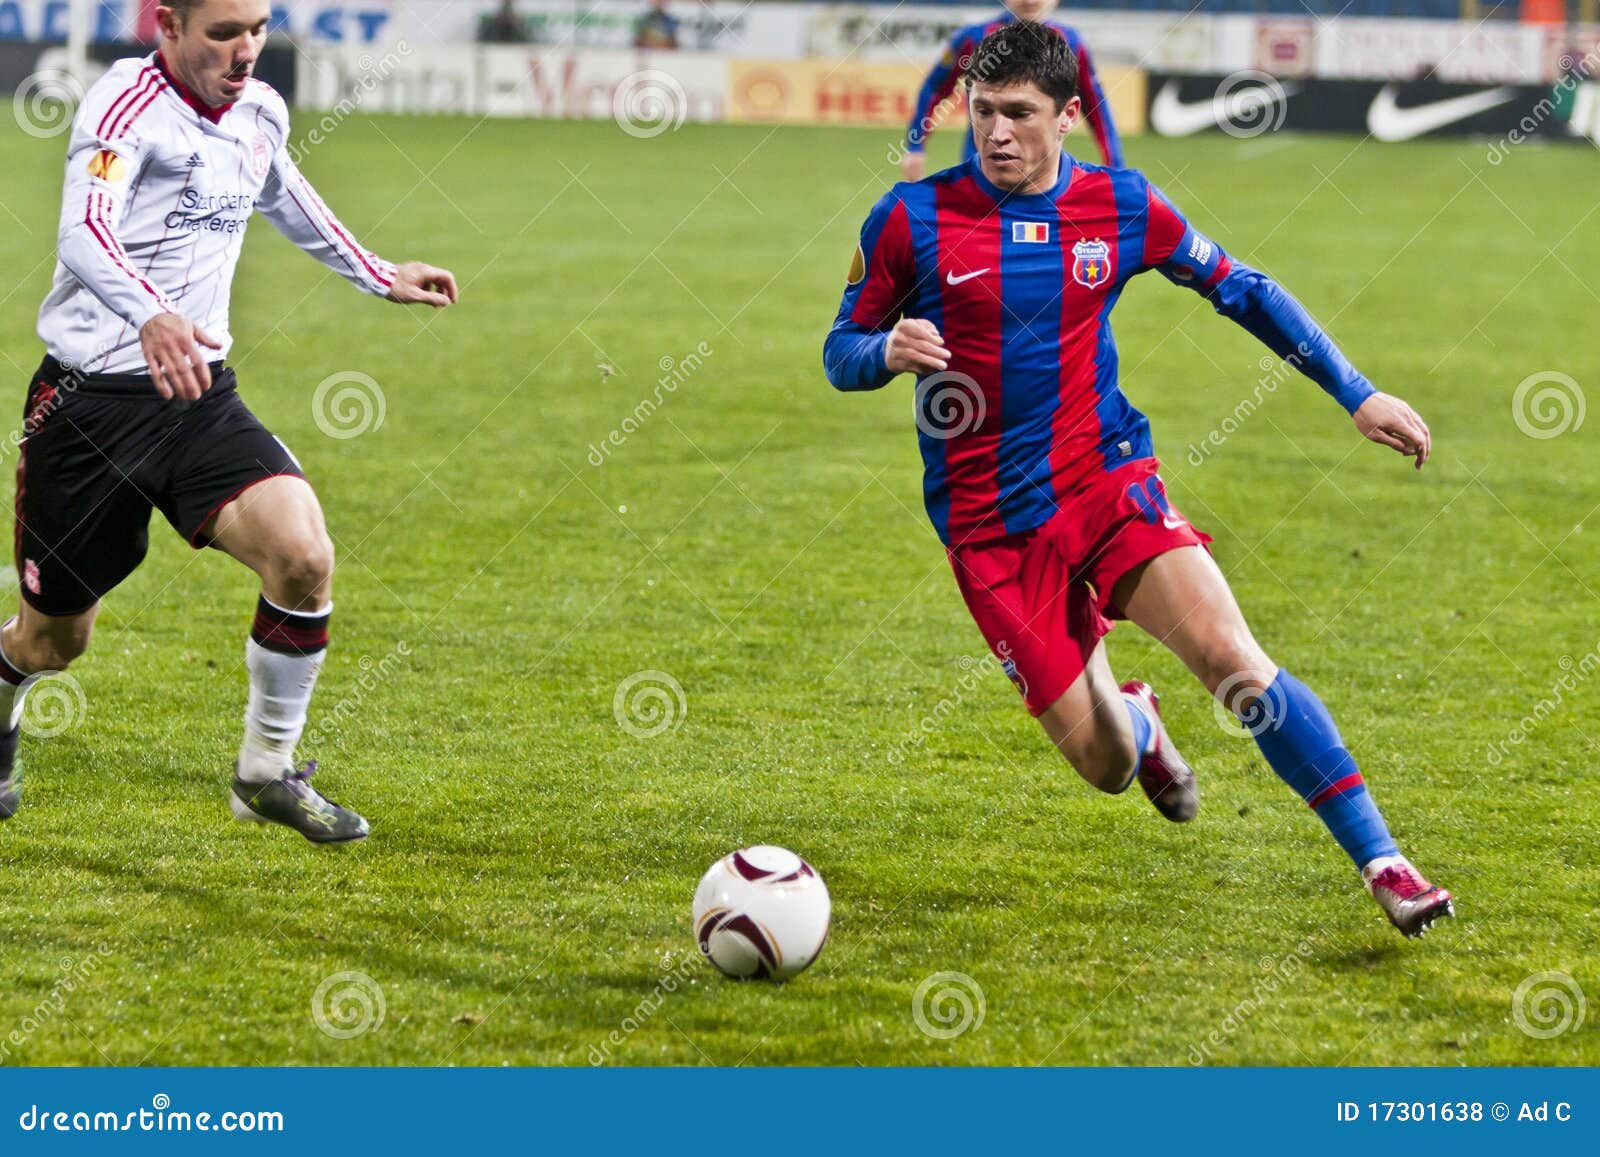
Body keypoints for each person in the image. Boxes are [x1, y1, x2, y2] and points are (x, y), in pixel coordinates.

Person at [825, 24, 1452, 937]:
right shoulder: (909, 218)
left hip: (1105, 480)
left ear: (1069, 116)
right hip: (991, 529)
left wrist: (1354, 393)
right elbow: (838, 349)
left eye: (1020, 115)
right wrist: (881, 349)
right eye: (985, 112)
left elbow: (1242, 287)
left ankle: (1384, 862)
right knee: (1109, 766)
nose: (997, 133)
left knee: (1236, 663)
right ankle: (1139, 721)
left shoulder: (1121, 207)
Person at [0, 0, 458, 843]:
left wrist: (378, 271)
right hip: (87, 409)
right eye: (223, 33)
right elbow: (83, 229)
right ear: (167, 26)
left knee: (302, 552)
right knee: (54, 641)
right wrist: (149, 314)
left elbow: (284, 193)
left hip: (197, 397)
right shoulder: (123, 105)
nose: (246, 50)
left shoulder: (260, 111)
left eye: (257, 28)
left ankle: (264, 773)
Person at [901, 0, 1120, 183]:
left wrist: (1115, 164)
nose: (1030, 0)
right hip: (981, 170)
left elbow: (1096, 105)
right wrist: (916, 145)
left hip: (1045, 176)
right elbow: (935, 89)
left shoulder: (1071, 42)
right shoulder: (974, 38)